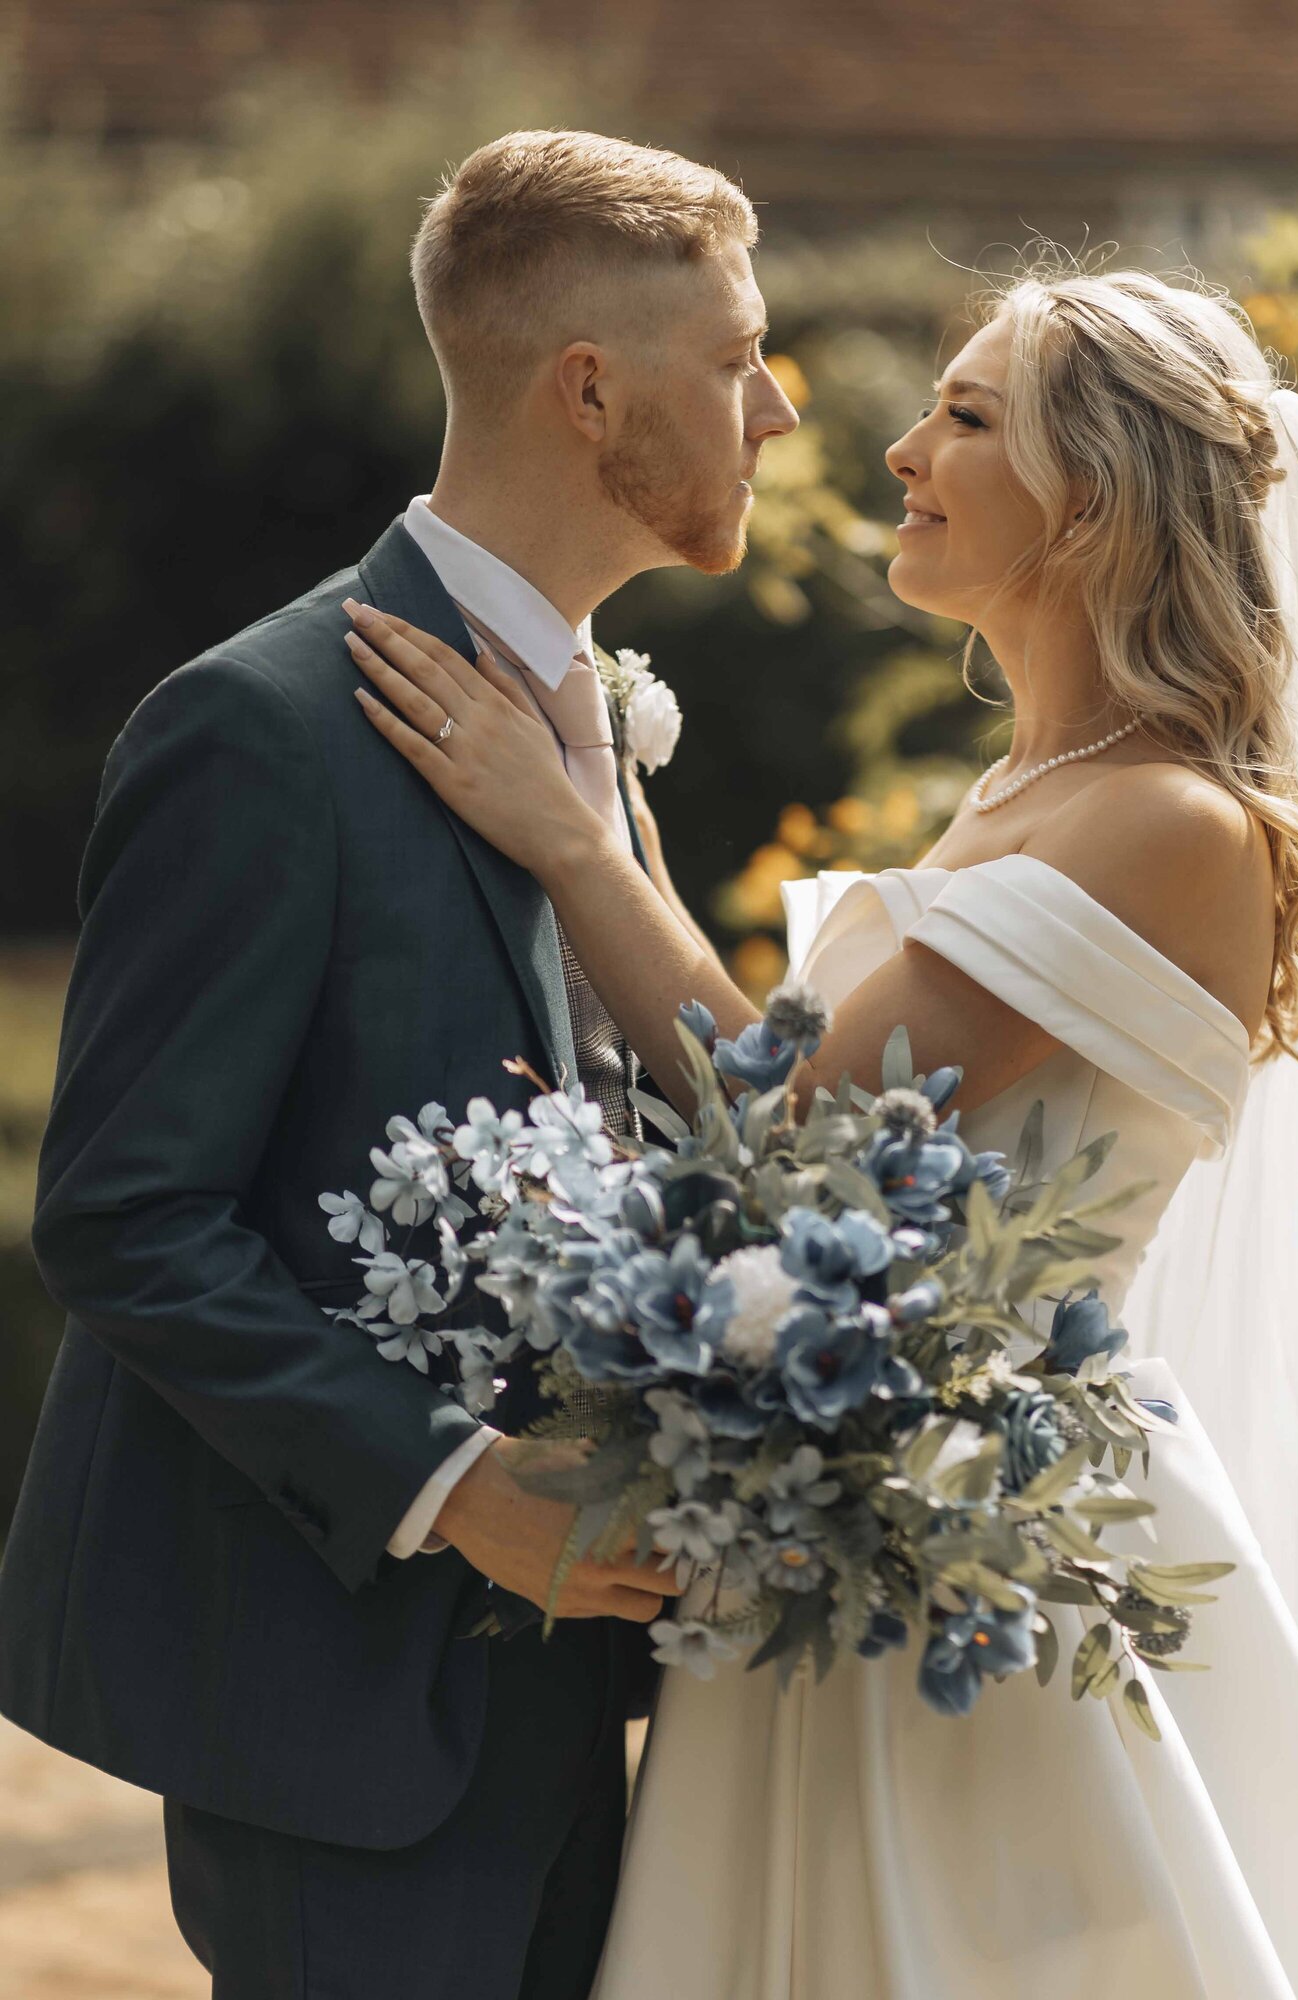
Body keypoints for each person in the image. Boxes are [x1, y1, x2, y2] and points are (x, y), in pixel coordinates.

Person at [348, 264, 1298, 1995]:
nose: (895, 449)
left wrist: (573, 841)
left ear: (1094, 497)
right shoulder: (1033, 790)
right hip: (859, 1518)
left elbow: (794, 1127)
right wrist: (597, 780)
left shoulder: (1171, 820)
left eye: (963, 415)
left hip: (976, 1569)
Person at [0, 129, 795, 2000]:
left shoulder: (601, 724)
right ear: (589, 390)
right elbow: (127, 1221)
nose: (775, 409)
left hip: (588, 1687)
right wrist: (461, 1485)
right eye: (741, 356)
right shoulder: (256, 730)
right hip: (341, 1695)